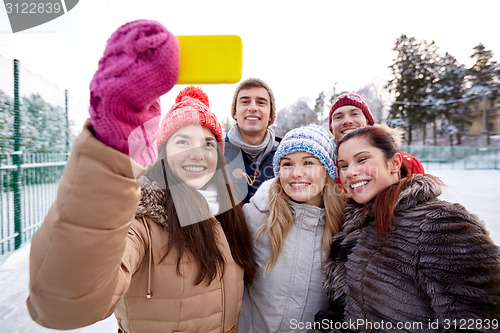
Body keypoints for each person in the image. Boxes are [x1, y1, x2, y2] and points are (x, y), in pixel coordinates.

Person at [26, 20, 255, 333]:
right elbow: (62, 306)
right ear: (161, 154)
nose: (197, 153)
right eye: (182, 142)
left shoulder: (228, 212)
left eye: (207, 143)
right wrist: (112, 153)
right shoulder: (144, 219)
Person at [318, 125, 500, 332]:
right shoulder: (353, 226)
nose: (351, 172)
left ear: (394, 163)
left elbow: (483, 320)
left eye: (362, 160)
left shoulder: (438, 222)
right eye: (343, 165)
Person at [238, 125, 347, 332]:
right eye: (287, 164)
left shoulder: (345, 228)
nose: (297, 173)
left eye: (308, 162)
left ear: (327, 170)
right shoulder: (253, 217)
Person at [328, 92, 425, 176]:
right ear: (331, 127)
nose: (347, 121)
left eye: (354, 114)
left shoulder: (407, 163)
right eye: (338, 117)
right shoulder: (322, 168)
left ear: (368, 122)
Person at [224, 78, 281, 204]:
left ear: (271, 115)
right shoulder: (216, 155)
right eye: (245, 102)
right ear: (234, 112)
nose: (253, 108)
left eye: (261, 103)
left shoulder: (285, 156)